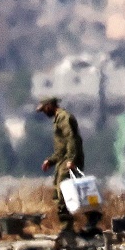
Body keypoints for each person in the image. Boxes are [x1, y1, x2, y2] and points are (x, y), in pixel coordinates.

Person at [35, 96, 86, 229]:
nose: (45, 113)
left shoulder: (64, 118)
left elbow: (72, 139)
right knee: (58, 191)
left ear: (50, 106)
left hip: (69, 159)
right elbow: (61, 148)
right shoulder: (58, 119)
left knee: (64, 190)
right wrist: (50, 161)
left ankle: (67, 226)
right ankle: (67, 225)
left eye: (45, 109)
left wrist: (71, 160)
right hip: (64, 159)